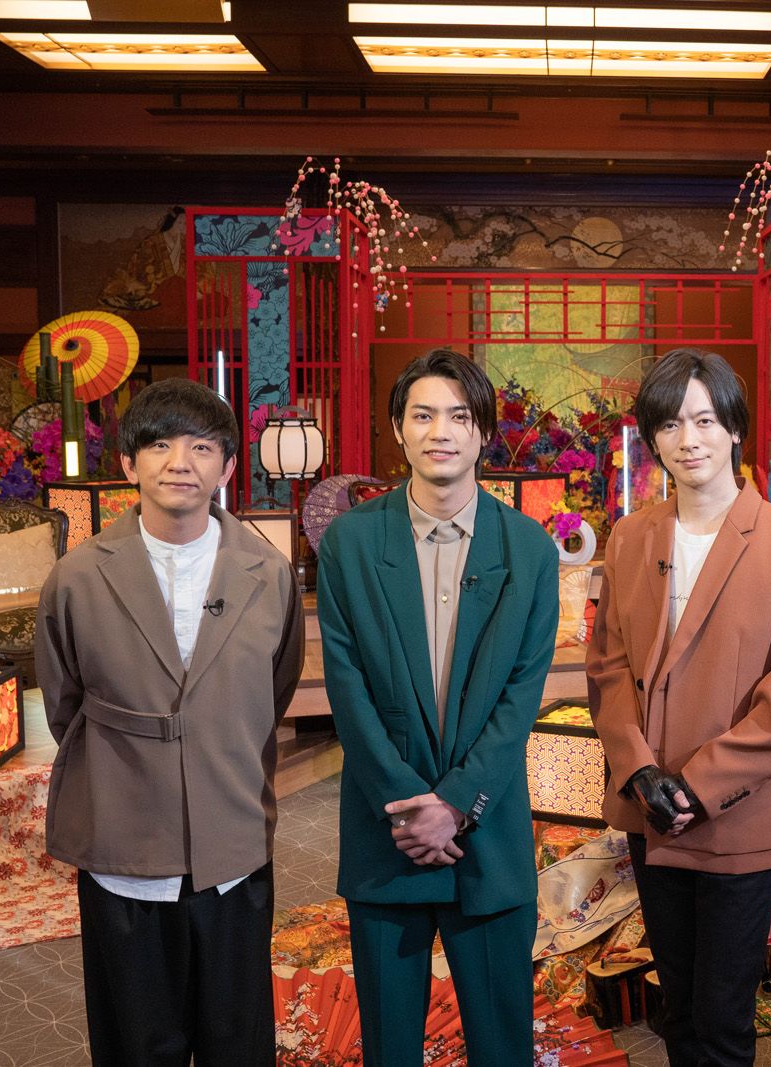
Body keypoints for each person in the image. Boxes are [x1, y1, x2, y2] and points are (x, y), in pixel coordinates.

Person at [37, 378, 304, 1066]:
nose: (179, 462)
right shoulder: (76, 577)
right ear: (129, 463)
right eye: (159, 445)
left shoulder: (268, 572)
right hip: (124, 844)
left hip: (232, 842)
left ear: (228, 466)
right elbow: (64, 702)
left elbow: (273, 690)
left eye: (202, 447)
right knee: (136, 1042)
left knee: (236, 1040)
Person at [588, 347, 771, 1067]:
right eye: (670, 424)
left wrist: (698, 786)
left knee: (724, 1020)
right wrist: (639, 770)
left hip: (739, 811)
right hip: (652, 807)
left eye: (703, 420)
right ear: (652, 438)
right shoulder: (631, 535)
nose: (688, 439)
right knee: (679, 1009)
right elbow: (607, 664)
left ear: (734, 427)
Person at [315, 348, 559, 1067]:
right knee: (389, 1045)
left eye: (459, 416)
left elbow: (520, 696)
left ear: (483, 432)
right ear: (399, 429)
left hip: (487, 830)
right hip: (386, 834)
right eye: (423, 415)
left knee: (501, 1043)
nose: (440, 431)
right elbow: (347, 686)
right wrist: (405, 804)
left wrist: (454, 804)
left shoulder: (530, 549)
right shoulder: (351, 543)